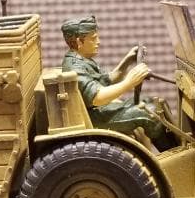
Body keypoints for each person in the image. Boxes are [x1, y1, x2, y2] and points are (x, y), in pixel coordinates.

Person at [60, 14, 169, 147]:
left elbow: (106, 80)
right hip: (93, 118)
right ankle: (171, 153)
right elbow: (97, 98)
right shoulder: (75, 67)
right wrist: (129, 82)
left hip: (95, 111)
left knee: (152, 102)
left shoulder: (82, 60)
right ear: (79, 42)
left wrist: (127, 61)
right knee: (149, 114)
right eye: (93, 38)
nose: (98, 42)